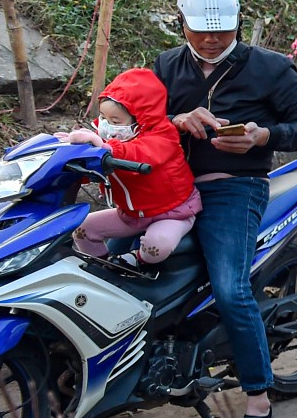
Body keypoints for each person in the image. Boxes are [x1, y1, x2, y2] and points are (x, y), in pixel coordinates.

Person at [154, 0, 297, 418]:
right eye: (201, 30)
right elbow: (140, 123)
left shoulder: (270, 68)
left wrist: (261, 136)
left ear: (237, 23)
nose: (210, 39)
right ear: (180, 21)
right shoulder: (166, 65)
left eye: (221, 30)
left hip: (234, 189)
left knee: (231, 289)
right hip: (171, 188)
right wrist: (175, 122)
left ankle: (258, 401)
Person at [65, 68, 201, 272]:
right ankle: (102, 269)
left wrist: (103, 147)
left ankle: (137, 263)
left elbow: (138, 154)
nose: (106, 125)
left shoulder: (163, 136)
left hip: (173, 212)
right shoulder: (108, 138)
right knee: (83, 228)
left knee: (156, 246)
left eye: (115, 121)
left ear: (140, 119)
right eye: (103, 117)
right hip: (131, 214)